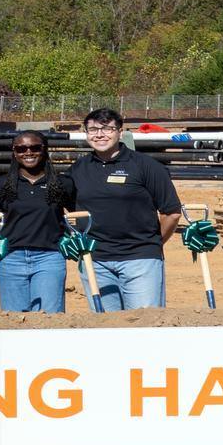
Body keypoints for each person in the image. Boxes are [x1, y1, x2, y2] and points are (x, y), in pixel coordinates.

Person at [65, 108, 182, 310]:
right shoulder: (77, 169)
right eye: (93, 130)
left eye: (107, 129)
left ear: (120, 132)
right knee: (106, 325)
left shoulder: (146, 166)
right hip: (95, 262)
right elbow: (63, 207)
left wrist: (152, 244)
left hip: (140, 261)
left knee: (144, 321)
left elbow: (171, 212)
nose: (99, 134)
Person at [0, 130, 73, 312]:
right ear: (14, 152)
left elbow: (79, 215)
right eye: (21, 149)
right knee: (14, 319)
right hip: (10, 258)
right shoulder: (2, 185)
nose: (28, 152)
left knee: (49, 318)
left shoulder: (62, 183)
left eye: (35, 147)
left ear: (45, 149)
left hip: (49, 258)